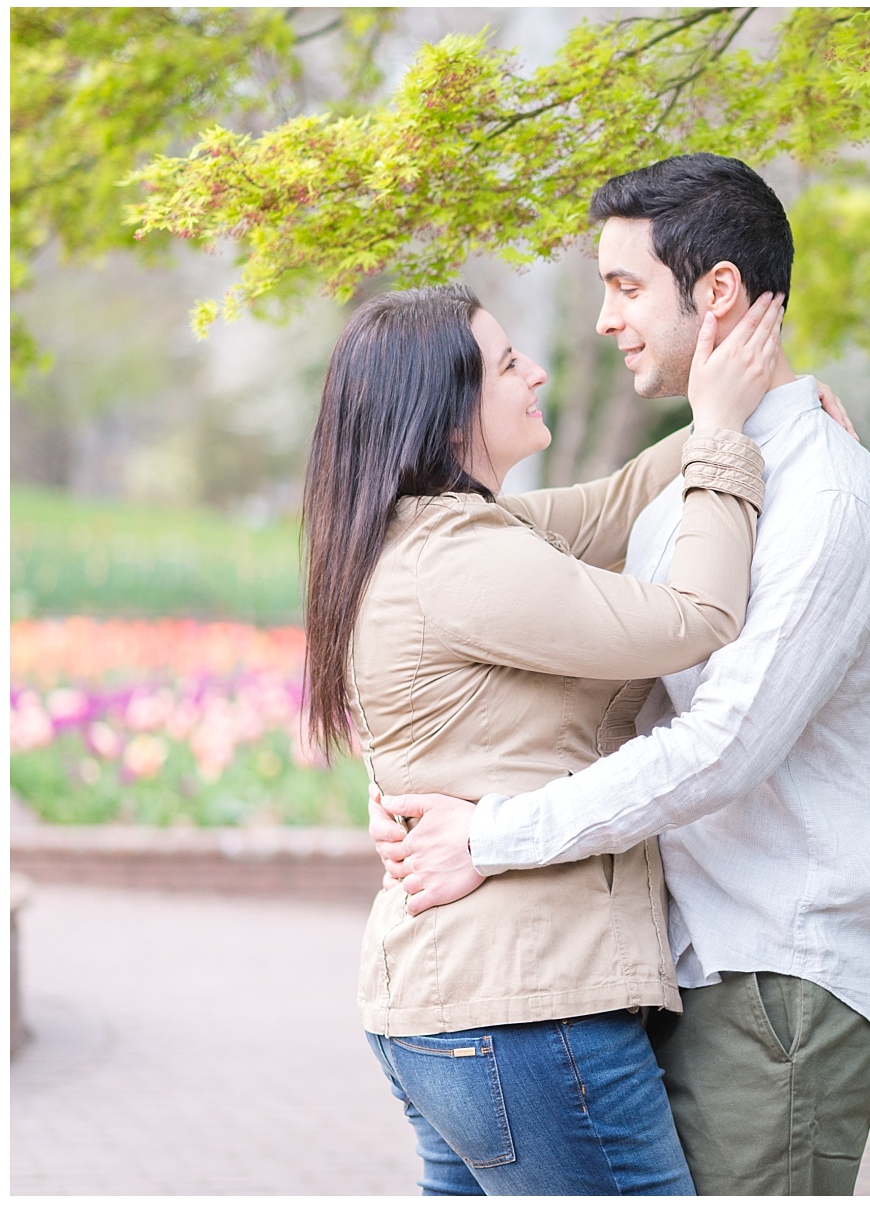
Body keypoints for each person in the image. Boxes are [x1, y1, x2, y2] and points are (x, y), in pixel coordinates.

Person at [375, 153, 870, 1195]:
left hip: (777, 976)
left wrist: (487, 837)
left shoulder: (828, 501)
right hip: (670, 962)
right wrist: (406, 792)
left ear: (714, 293)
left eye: (625, 288)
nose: (603, 322)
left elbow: (726, 746)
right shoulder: (691, 492)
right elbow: (511, 649)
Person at [304, 279, 794, 1194]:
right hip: (526, 1007)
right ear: (450, 415)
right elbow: (695, 614)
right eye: (506, 362)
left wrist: (761, 410)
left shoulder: (446, 533)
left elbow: (615, 506)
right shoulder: (462, 560)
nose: (536, 370)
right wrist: (726, 440)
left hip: (456, 1004)